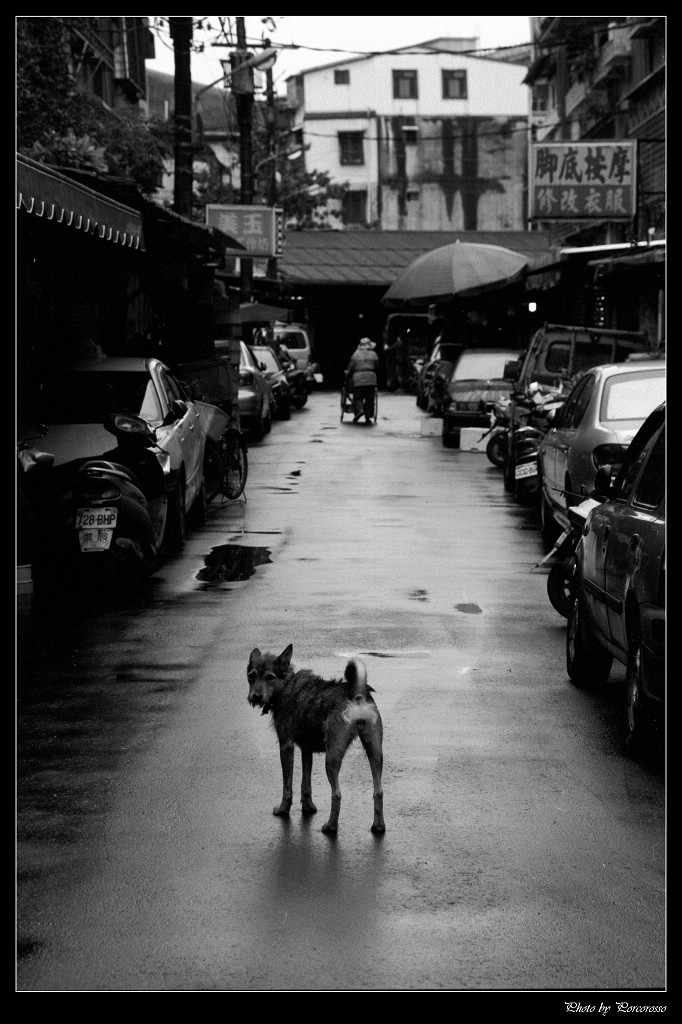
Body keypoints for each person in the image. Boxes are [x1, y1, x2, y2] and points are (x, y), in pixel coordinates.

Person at [345, 337, 379, 423]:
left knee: (358, 397)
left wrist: (347, 372)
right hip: (371, 379)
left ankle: (360, 410)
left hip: (358, 379)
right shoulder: (374, 354)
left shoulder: (355, 354)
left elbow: (350, 367)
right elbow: (377, 366)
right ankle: (368, 417)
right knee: (369, 399)